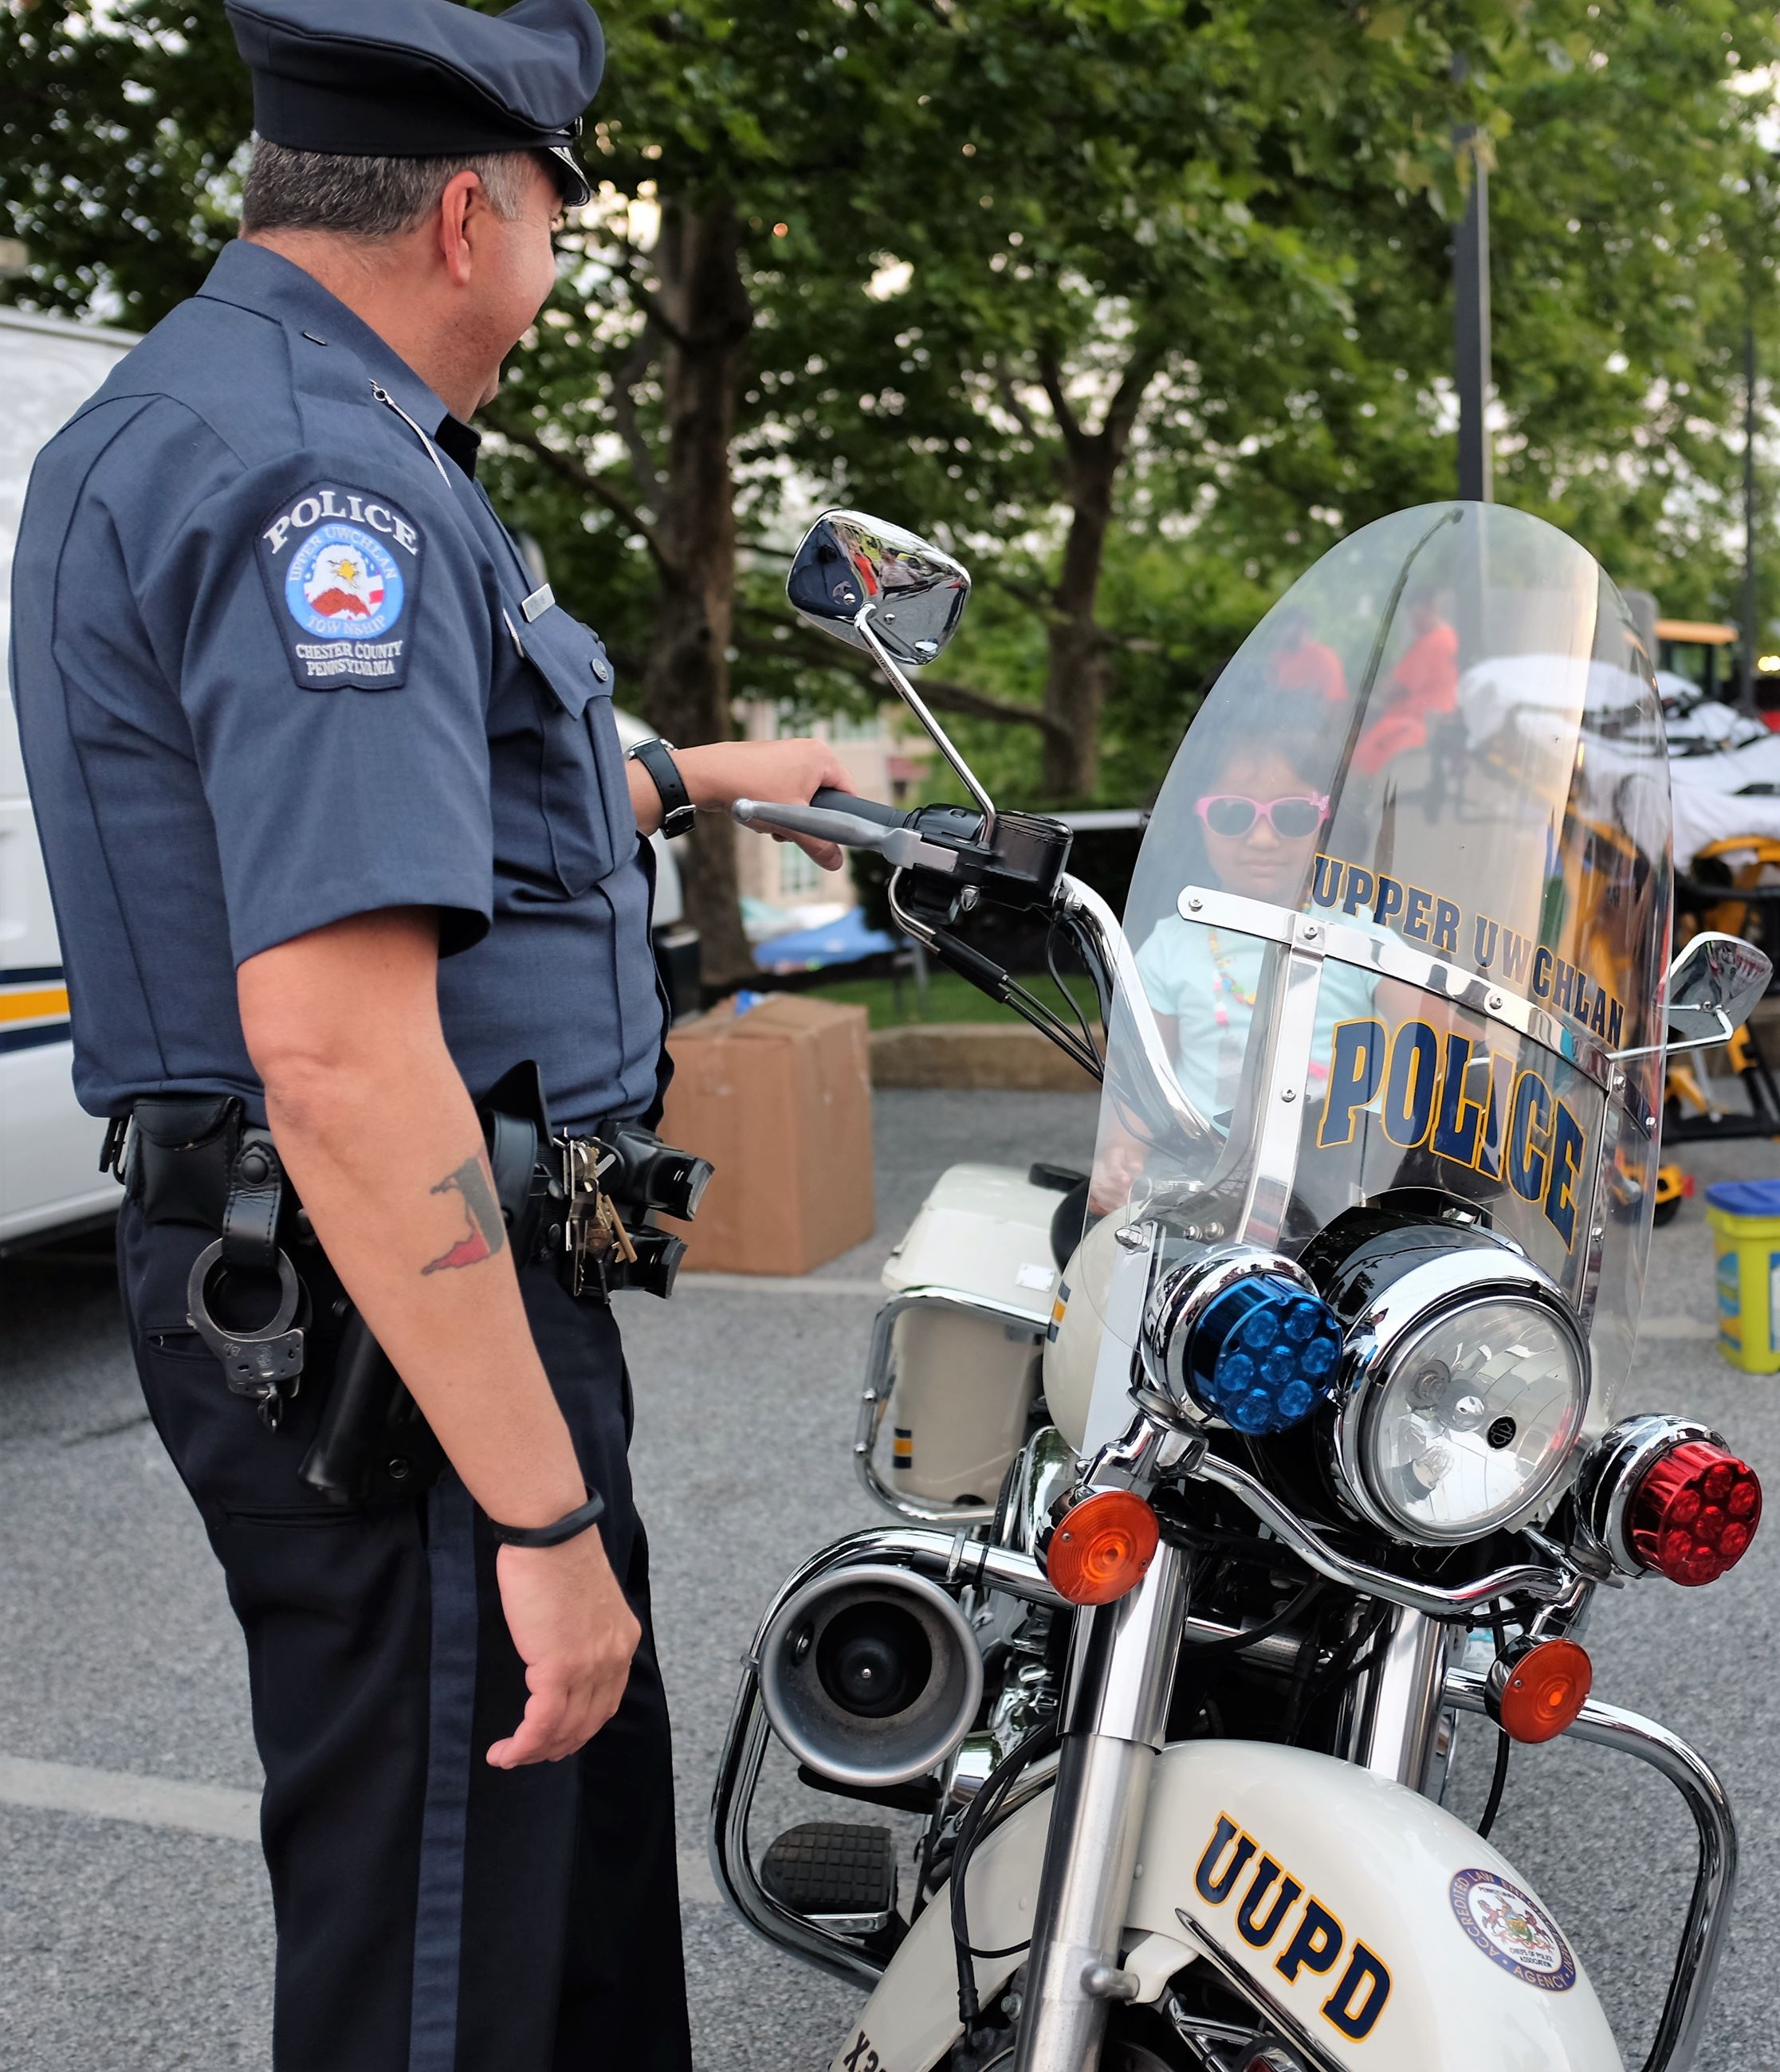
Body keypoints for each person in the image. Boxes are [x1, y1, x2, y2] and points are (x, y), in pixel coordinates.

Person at [8, 2, 853, 2066]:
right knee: (448, 1976)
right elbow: (337, 1052)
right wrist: (540, 1525)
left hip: (389, 1294)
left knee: (545, 1927)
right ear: (472, 210)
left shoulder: (230, 420)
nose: (553, 273)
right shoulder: (325, 490)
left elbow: (452, 813)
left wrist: (716, 773)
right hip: (387, 1307)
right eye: (560, 218)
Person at [1090, 705, 1390, 1212]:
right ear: (1197, 821)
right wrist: (1120, 1159)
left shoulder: (1359, 935)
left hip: (1342, 1194)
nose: (1262, 838)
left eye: (1292, 815)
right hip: (1205, 1193)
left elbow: (1435, 1044)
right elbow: (1138, 1089)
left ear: (1327, 823)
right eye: (1233, 814)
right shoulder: (1172, 942)